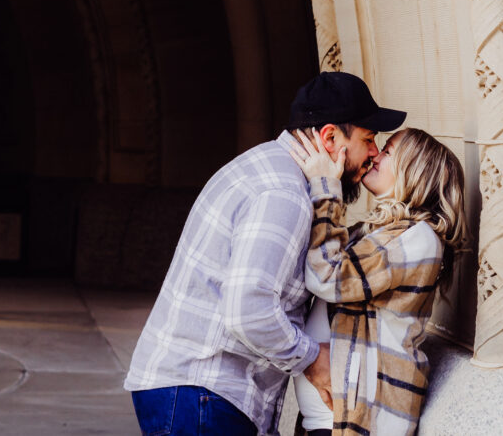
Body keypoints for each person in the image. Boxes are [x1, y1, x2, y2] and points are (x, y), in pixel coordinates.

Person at [125, 72, 406, 436]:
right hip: (202, 396)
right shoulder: (283, 193)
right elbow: (247, 310)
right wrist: (313, 360)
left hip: (196, 395)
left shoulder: (270, 168)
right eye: (368, 139)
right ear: (330, 136)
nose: (373, 152)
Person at [288, 127, 468, 436]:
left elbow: (327, 277)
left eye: (388, 151)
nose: (374, 155)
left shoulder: (417, 238)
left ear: (416, 171)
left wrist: (326, 186)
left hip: (361, 425)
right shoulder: (373, 233)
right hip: (329, 421)